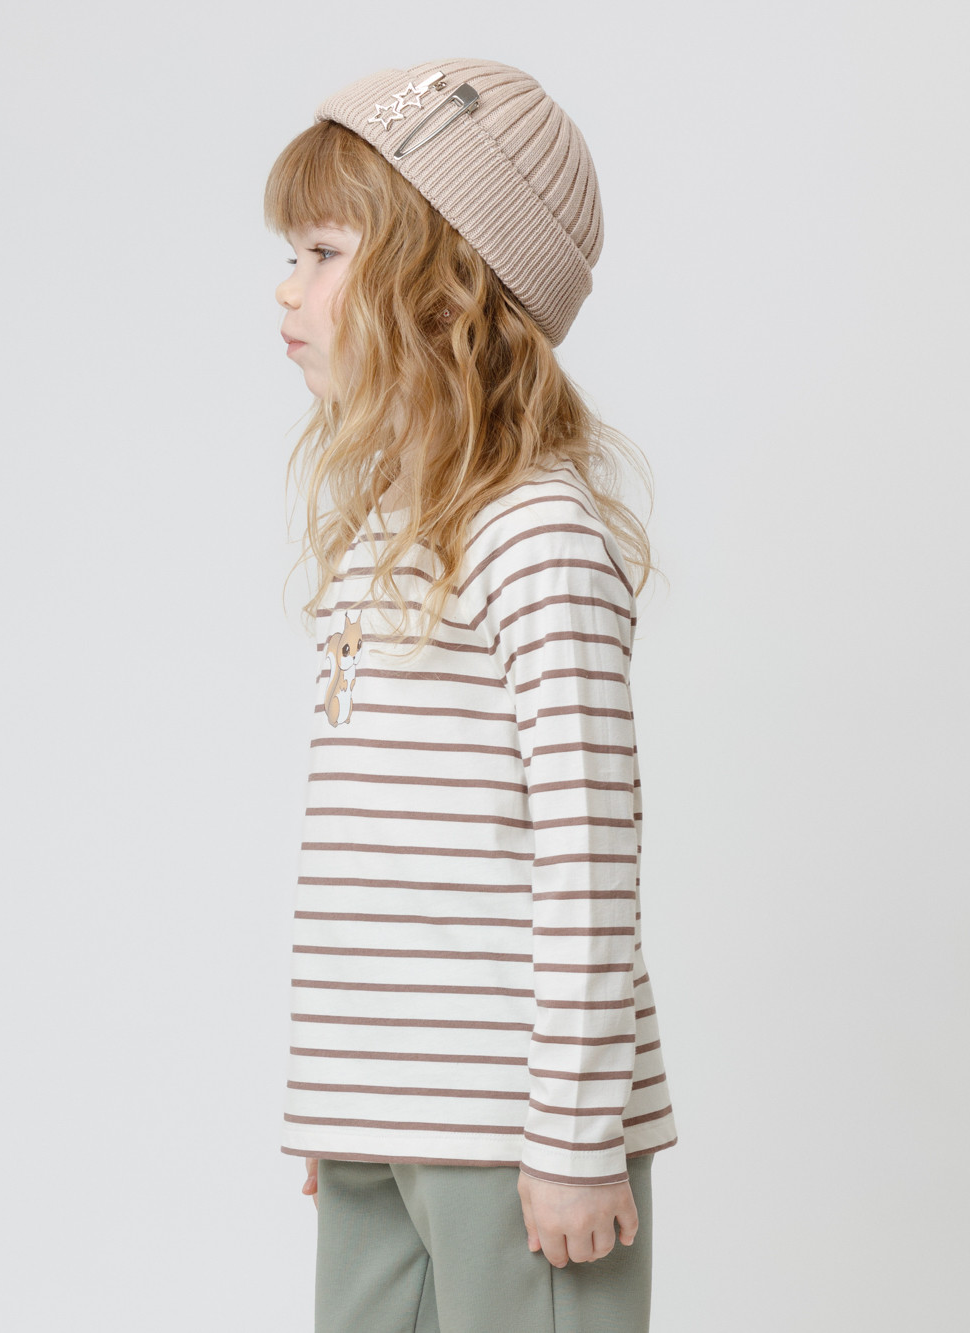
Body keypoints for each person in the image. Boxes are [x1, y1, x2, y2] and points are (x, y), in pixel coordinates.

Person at [265, 57, 679, 1333]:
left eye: (324, 253)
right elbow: (381, 847)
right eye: (289, 254)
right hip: (385, 1109)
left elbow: (588, 845)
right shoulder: (385, 533)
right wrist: (345, 1090)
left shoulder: (534, 534)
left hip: (517, 1130)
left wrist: (574, 1134)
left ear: (446, 286)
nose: (287, 288)